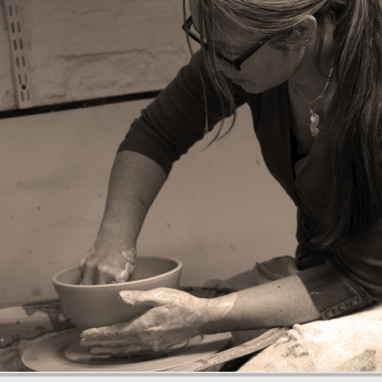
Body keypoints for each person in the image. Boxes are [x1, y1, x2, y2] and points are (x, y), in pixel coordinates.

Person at [77, 0, 382, 366]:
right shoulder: (258, 54)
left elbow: (358, 278)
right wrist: (113, 241)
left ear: (302, 32)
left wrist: (203, 315)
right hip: (323, 269)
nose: (216, 65)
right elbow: (157, 135)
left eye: (229, 55)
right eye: (208, 45)